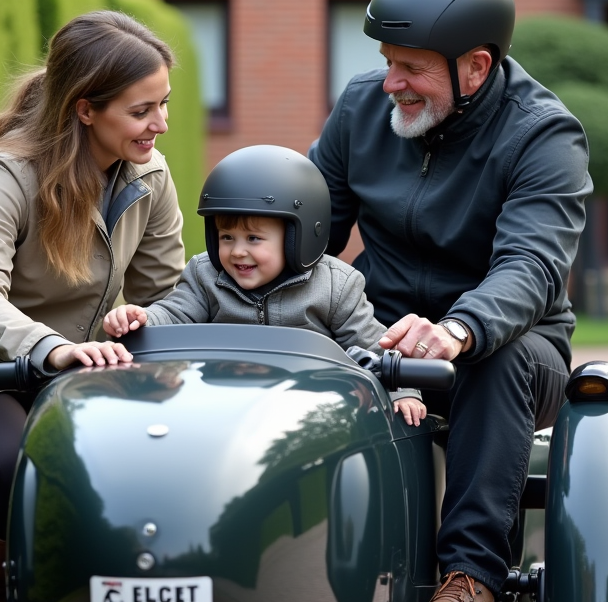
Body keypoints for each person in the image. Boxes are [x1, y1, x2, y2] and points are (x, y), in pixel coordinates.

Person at [308, 0, 592, 602]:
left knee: (497, 360)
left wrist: (460, 330)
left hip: (513, 352)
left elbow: (530, 265)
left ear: (476, 67)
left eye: (411, 67)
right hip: (378, 333)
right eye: (387, 61)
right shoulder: (359, 109)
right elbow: (307, 239)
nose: (390, 84)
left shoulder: (545, 135)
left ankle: (472, 578)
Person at [0, 11, 186, 602]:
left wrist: (148, 326)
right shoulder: (7, 174)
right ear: (86, 109)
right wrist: (49, 348)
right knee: (21, 461)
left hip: (80, 369)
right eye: (142, 111)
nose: (160, 124)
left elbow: (169, 293)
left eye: (163, 104)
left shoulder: (150, 176)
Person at [102, 144, 426, 425]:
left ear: (299, 237)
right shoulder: (205, 276)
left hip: (309, 408)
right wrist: (140, 320)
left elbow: (374, 347)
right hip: (221, 405)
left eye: (254, 238)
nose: (237, 251)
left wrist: (403, 391)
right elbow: (174, 315)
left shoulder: (336, 286)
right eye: (226, 237)